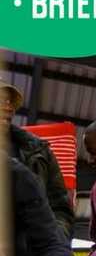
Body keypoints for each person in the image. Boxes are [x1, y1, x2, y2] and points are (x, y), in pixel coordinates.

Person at [1, 80, 76, 238]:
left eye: (10, 102)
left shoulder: (39, 151)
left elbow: (60, 208)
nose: (9, 108)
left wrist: (56, 240)